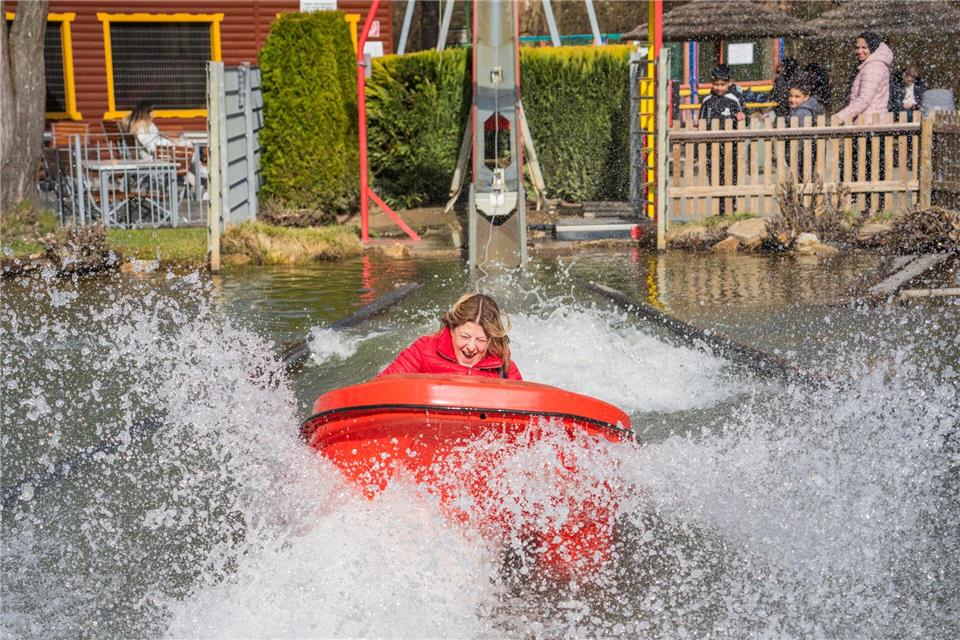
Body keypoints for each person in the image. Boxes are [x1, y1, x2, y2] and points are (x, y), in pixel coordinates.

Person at [377, 293, 522, 380]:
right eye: (465, 337)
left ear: (490, 339)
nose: (471, 347)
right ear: (452, 329)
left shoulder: (503, 366)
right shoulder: (424, 350)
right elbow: (380, 386)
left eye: (480, 340)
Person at [835, 31, 893, 124]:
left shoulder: (874, 67)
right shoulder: (869, 65)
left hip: (869, 123)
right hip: (869, 121)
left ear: (872, 47)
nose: (859, 51)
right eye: (857, 47)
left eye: (864, 47)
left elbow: (864, 100)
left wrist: (839, 117)